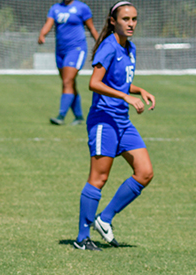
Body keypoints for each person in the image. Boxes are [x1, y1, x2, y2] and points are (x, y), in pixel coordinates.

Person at [73, 1, 155, 251]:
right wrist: (126, 97)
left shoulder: (130, 47)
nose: (131, 24)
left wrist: (139, 90)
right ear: (113, 21)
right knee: (99, 178)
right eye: (125, 19)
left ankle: (105, 218)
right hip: (104, 120)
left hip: (122, 121)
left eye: (134, 19)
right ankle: (82, 238)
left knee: (145, 172)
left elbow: (119, 82)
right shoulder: (108, 47)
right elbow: (94, 83)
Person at [38, 0, 99, 126]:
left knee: (67, 82)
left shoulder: (82, 8)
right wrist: (42, 35)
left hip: (76, 49)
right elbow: (49, 23)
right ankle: (79, 116)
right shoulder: (55, 8)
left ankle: (61, 116)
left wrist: (101, 45)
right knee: (69, 83)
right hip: (60, 51)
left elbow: (91, 28)